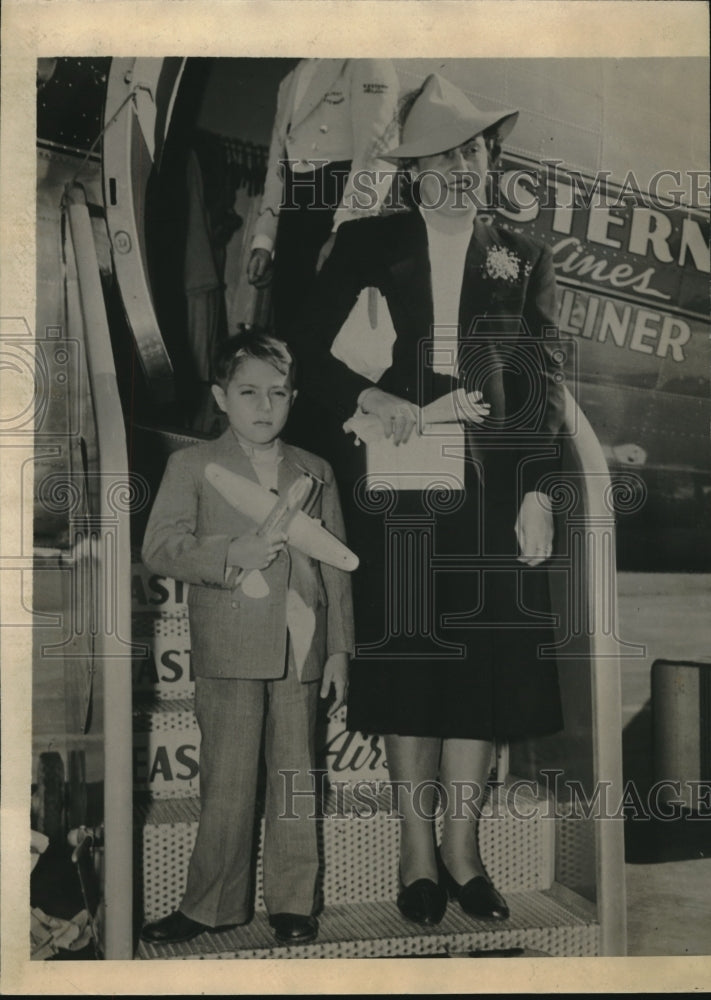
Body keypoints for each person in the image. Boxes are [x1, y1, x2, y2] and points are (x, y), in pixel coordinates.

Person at [293, 73, 566, 927]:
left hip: (490, 483)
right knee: (411, 662)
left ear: (490, 160)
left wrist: (537, 494)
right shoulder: (368, 244)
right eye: (444, 153)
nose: (463, 164)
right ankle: (416, 851)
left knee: (484, 666)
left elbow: (542, 383)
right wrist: (361, 399)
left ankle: (463, 851)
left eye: (475, 149)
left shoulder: (521, 255)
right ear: (413, 169)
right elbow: (306, 348)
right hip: (400, 474)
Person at [139, 329, 354, 945]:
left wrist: (340, 649)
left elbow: (337, 566)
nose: (264, 406)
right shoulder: (191, 465)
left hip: (301, 645)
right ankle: (212, 905)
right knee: (227, 782)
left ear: (294, 398)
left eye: (278, 393)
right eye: (249, 392)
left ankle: (293, 902)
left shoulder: (315, 471)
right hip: (230, 646)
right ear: (220, 397)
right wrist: (234, 550)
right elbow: (159, 548)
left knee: (295, 777)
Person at [247, 58, 399, 343]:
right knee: (287, 334)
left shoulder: (367, 63)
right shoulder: (290, 81)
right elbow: (277, 169)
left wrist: (344, 234)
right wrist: (264, 241)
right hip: (294, 217)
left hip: (335, 213)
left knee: (320, 338)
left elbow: (376, 156)